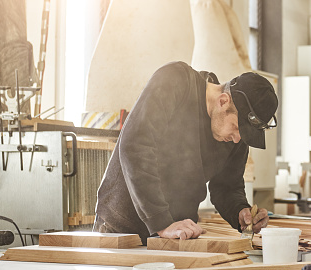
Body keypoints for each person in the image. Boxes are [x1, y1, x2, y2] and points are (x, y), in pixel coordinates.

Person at [94, 61, 278, 245]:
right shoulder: (175, 81)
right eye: (236, 128)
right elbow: (136, 145)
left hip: (178, 233)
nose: (238, 139)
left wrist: (241, 212)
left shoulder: (235, 137)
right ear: (223, 101)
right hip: (123, 228)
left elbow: (227, 187)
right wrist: (162, 223)